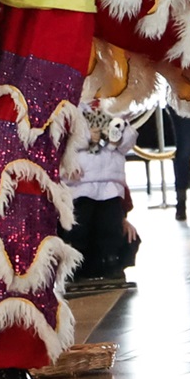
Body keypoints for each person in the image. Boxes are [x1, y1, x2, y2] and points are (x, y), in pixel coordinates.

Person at [66, 105, 141, 292]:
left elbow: (127, 141)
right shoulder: (71, 107)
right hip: (80, 183)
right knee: (79, 227)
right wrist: (86, 137)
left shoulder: (115, 108)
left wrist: (118, 134)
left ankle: (112, 263)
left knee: (110, 226)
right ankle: (76, 267)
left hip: (110, 182)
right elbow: (61, 141)